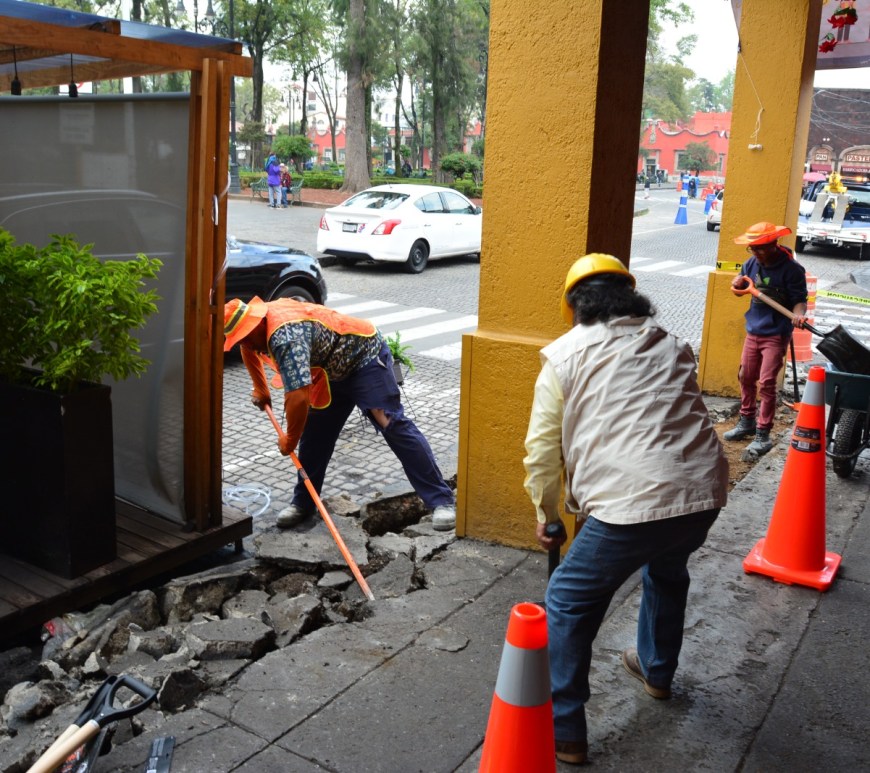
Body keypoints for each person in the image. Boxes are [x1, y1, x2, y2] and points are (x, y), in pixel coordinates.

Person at [523, 253, 728, 766]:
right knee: (667, 569)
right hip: (702, 493)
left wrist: (548, 516)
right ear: (631, 297)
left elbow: (542, 453)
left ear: (573, 306)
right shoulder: (672, 343)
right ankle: (657, 671)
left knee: (568, 599)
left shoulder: (564, 357)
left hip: (630, 505)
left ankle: (564, 729)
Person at [223, 296, 457, 531]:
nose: (247, 344)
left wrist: (290, 439)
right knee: (315, 436)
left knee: (390, 422)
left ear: (257, 323)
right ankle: (304, 503)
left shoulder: (286, 337)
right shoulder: (256, 330)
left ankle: (441, 500)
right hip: (330, 371)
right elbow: (248, 348)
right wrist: (261, 389)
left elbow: (298, 397)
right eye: (241, 340)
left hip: (365, 359)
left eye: (247, 337)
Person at [724, 222, 808, 455]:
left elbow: (800, 301)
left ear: (773, 244)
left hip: (776, 333)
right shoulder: (751, 263)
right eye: (753, 248)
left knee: (767, 382)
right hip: (754, 330)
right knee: (745, 376)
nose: (756, 253)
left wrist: (799, 315)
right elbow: (740, 286)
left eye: (761, 248)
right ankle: (747, 421)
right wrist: (737, 284)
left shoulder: (792, 270)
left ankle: (763, 433)